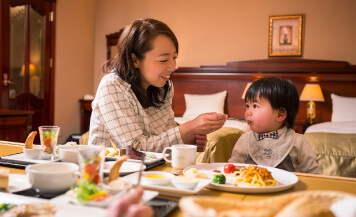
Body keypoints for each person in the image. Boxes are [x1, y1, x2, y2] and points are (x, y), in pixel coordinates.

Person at [88, 18, 226, 152]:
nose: (173, 66)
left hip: (151, 172)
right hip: (109, 171)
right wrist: (189, 128)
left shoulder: (164, 87)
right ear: (134, 60)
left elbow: (163, 137)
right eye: (163, 60)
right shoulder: (112, 86)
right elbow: (135, 149)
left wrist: (186, 140)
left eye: (174, 57)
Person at [228, 77, 321, 174]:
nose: (248, 112)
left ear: (280, 114)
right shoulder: (245, 140)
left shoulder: (297, 141)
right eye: (247, 106)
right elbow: (232, 168)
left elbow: (314, 174)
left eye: (255, 106)